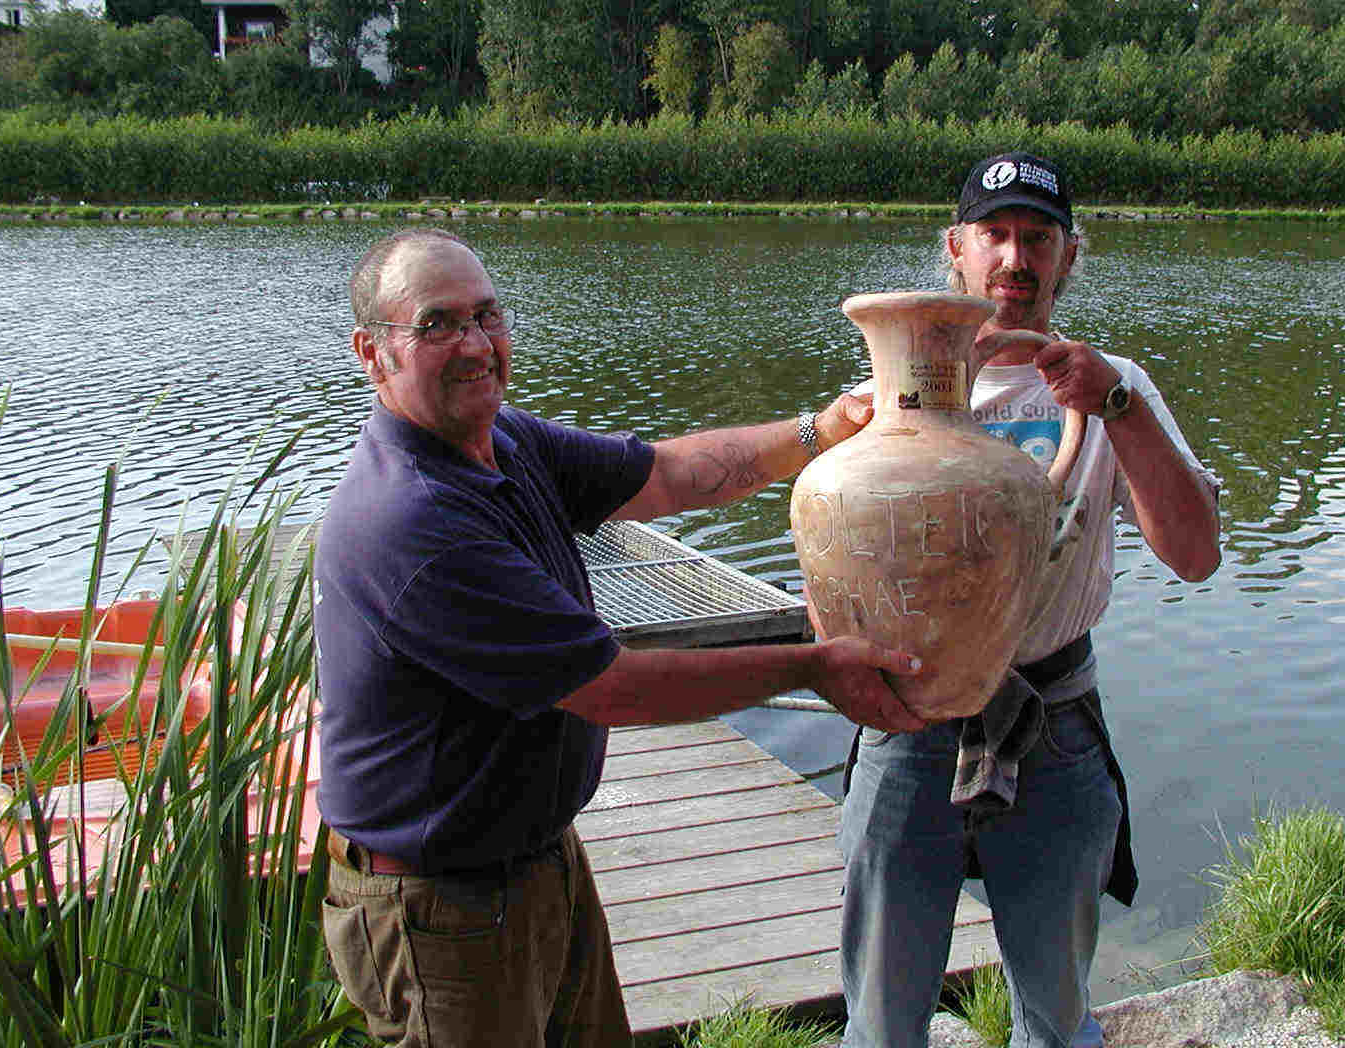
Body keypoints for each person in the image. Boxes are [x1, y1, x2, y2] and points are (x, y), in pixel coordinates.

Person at [314, 227, 927, 1048]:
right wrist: (813, 667)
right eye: (438, 324)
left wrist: (818, 431)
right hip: (439, 906)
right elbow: (613, 687)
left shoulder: (505, 444)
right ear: (372, 352)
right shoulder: (412, 520)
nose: (476, 345)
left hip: (536, 861)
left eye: (488, 317)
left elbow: (667, 474)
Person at [838, 152, 1222, 1048]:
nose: (1016, 257)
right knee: (883, 1022)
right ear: (957, 250)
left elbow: (1196, 557)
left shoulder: (1114, 380)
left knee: (1054, 1017)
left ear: (1069, 256)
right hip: (910, 729)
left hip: (1055, 722)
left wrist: (1119, 407)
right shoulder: (883, 397)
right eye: (996, 234)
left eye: (1038, 238)